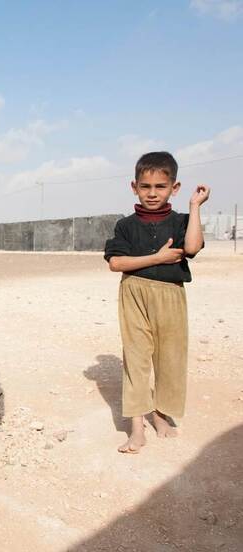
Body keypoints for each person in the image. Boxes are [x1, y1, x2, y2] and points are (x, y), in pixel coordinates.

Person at [104, 152, 210, 454]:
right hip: (134, 293)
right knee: (136, 361)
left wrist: (194, 207)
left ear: (173, 188)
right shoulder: (125, 226)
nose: (152, 193)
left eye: (160, 187)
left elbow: (191, 247)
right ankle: (137, 429)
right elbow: (116, 263)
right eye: (145, 186)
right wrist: (158, 258)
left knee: (170, 358)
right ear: (134, 186)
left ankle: (161, 415)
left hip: (171, 294)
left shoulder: (181, 222)